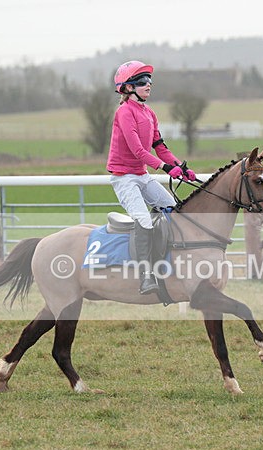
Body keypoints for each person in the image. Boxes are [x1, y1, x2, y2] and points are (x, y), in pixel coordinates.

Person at [107, 60, 197, 295]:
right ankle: (146, 276)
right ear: (128, 88)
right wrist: (166, 169)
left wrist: (180, 167)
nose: (148, 84)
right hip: (124, 178)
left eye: (149, 81)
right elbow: (138, 150)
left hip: (142, 175)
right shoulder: (124, 112)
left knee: (174, 210)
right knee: (144, 221)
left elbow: (160, 148)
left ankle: (170, 261)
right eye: (142, 81)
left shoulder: (149, 113)